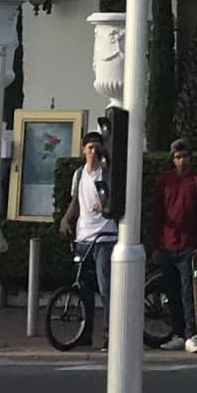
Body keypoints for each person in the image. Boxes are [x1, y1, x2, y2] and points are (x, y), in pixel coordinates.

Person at [149, 137, 197, 353]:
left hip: (189, 246)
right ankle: (178, 333)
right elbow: (157, 214)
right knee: (172, 292)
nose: (182, 161)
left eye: (185, 156)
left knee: (189, 293)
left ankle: (191, 334)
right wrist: (156, 245)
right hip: (168, 245)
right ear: (172, 159)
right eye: (177, 157)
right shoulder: (164, 181)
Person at [66, 131, 115, 349]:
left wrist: (105, 206)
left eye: (97, 147)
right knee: (83, 287)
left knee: (106, 287)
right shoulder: (78, 174)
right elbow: (76, 200)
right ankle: (85, 333)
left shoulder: (107, 174)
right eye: (90, 147)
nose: (94, 151)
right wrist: (66, 219)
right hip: (83, 236)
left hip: (105, 236)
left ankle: (109, 334)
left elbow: (116, 202)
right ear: (83, 150)